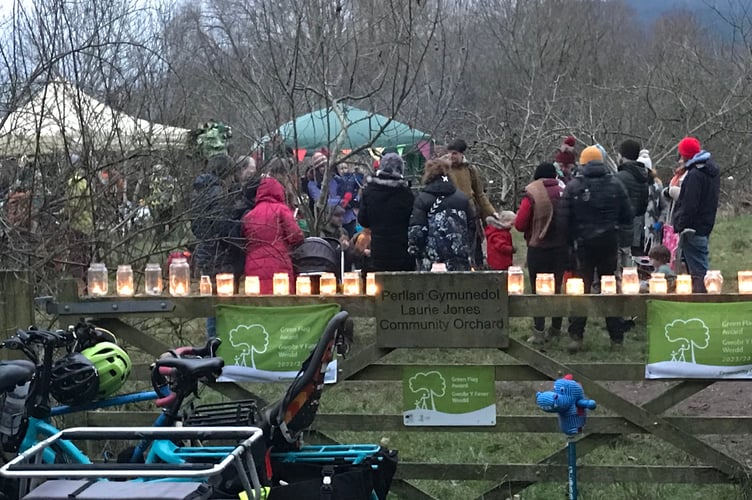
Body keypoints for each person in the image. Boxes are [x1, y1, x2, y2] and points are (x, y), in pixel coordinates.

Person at [562, 146, 634, 352]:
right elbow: (628, 215)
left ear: (582, 163)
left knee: (579, 291)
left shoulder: (574, 186)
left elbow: (564, 220)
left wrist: (569, 244)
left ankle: (576, 337)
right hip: (609, 243)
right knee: (609, 289)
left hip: (582, 245)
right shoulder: (616, 184)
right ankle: (616, 339)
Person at [514, 162, 570, 345]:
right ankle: (556, 328)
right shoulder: (565, 190)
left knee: (538, 290)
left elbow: (521, 223)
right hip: (561, 247)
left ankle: (539, 331)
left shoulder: (533, 193)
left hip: (539, 248)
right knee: (557, 287)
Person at [191, 154, 246, 337]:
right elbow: (223, 226)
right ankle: (218, 345)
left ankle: (213, 344)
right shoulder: (218, 193)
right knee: (221, 303)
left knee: (213, 303)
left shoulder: (200, 192)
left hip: (206, 251)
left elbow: (196, 225)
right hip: (220, 254)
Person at [671, 136, 720, 293]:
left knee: (698, 272)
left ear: (685, 155)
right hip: (704, 225)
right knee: (700, 265)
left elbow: (689, 205)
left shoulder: (694, 175)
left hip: (692, 228)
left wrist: (680, 224)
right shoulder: (710, 172)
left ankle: (703, 301)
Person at [242, 176, 304, 295]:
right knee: (281, 303)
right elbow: (295, 236)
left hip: (253, 265)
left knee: (256, 303)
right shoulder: (282, 210)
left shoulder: (249, 215)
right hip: (279, 263)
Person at [408, 158, 472, 271]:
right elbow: (471, 227)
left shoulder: (422, 199)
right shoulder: (462, 198)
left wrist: (415, 250)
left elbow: (417, 231)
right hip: (459, 258)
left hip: (432, 260)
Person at [357, 153, 415, 271]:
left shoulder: (369, 191)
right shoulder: (406, 193)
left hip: (378, 249)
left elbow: (363, 220)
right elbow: (412, 221)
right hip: (401, 249)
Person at [445, 139, 497, 267]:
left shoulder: (470, 170)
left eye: (455, 153)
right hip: (451, 213)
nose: (452, 156)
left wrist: (492, 212)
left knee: (475, 246)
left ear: (462, 154)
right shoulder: (444, 170)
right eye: (450, 153)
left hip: (470, 212)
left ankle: (477, 270)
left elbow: (480, 194)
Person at [615, 139, 650, 267]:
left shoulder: (619, 178)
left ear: (622, 155)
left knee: (615, 269)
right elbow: (642, 208)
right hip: (631, 228)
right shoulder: (643, 178)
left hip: (617, 229)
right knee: (627, 267)